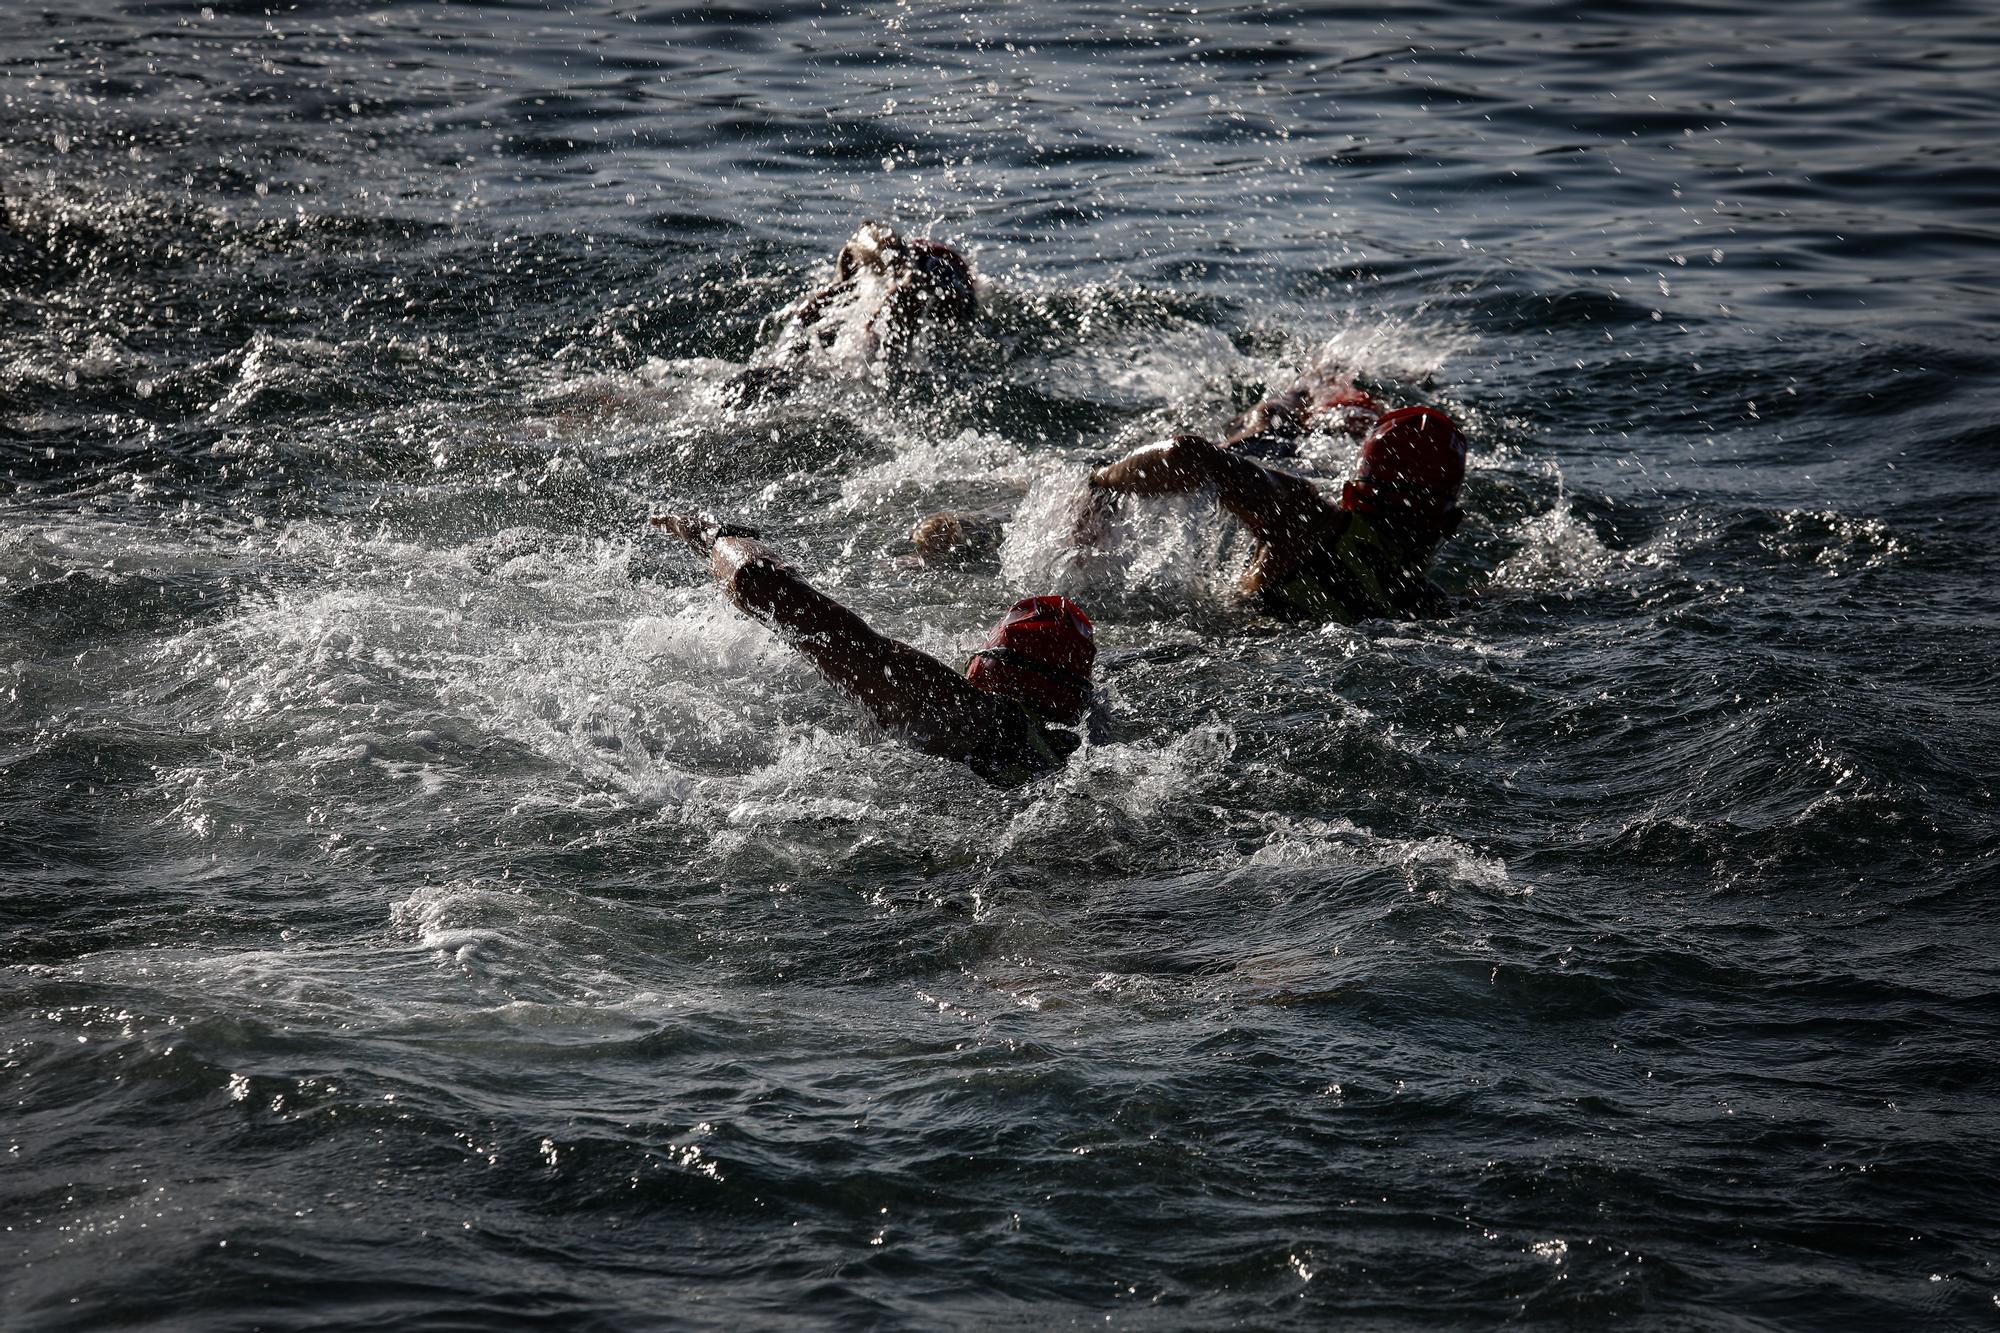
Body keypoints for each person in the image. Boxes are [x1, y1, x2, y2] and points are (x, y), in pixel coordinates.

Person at [651, 512, 1094, 785]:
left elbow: (761, 585)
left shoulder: (961, 711)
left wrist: (716, 536)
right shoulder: (1080, 747)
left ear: (983, 667)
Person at [1075, 373, 1469, 623]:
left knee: (1271, 425)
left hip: (1244, 658)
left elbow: (1186, 455)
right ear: (1452, 524)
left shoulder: (1308, 520)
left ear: (1350, 493)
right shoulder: (1432, 608)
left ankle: (1312, 387)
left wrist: (1099, 479)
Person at [726, 221, 978, 404]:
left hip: (783, 373)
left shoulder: (839, 299)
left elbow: (866, 240)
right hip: (841, 381)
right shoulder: (924, 296)